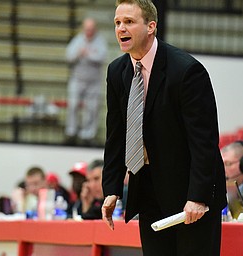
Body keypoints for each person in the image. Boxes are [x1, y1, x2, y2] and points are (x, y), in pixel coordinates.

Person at [101, 1, 227, 255]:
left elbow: (204, 141)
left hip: (189, 196)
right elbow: (116, 134)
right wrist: (112, 188)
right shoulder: (117, 71)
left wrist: (198, 196)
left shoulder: (187, 71)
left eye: (128, 21)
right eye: (117, 23)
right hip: (148, 190)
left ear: (151, 26)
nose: (120, 28)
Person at [64, 17, 108, 146]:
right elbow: (69, 56)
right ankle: (71, 132)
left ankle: (88, 135)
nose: (89, 32)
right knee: (73, 105)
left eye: (91, 29)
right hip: (77, 79)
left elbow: (102, 57)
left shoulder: (100, 42)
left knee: (92, 108)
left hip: (93, 81)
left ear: (95, 29)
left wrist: (88, 54)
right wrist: (79, 53)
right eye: (87, 29)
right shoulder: (77, 40)